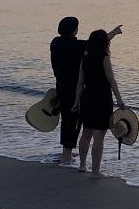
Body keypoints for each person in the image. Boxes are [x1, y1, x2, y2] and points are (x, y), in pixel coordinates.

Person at [50, 18, 122, 164]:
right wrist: (114, 32)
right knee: (74, 123)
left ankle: (67, 152)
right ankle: (67, 156)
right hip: (74, 89)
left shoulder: (55, 43)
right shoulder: (76, 46)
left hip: (61, 86)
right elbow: (98, 43)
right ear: (73, 30)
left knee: (67, 121)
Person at [72, 29, 126, 177]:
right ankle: (95, 171)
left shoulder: (85, 58)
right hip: (102, 100)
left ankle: (82, 165)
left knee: (86, 134)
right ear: (105, 43)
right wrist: (119, 100)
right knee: (98, 137)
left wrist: (77, 102)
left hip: (87, 99)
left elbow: (80, 83)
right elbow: (111, 80)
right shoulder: (104, 58)